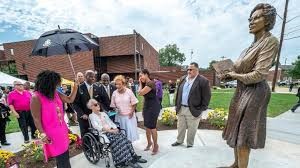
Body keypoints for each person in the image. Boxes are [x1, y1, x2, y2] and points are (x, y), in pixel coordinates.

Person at [218, 4, 279, 168]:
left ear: (267, 21)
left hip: (256, 91)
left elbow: (259, 74)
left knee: (244, 133)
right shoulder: (247, 48)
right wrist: (226, 75)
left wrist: (234, 75)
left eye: (257, 17)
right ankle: (236, 164)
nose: (251, 22)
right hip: (241, 91)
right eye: (250, 19)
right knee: (236, 130)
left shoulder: (270, 41)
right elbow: (237, 70)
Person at [31, 70, 78, 168]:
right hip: (51, 132)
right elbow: (36, 118)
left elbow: (70, 100)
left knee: (64, 156)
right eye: (56, 84)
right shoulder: (36, 97)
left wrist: (75, 87)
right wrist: (42, 134)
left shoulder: (56, 93)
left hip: (62, 129)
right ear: (48, 84)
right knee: (62, 159)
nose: (58, 86)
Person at [171, 62, 211, 148]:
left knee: (192, 129)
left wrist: (201, 109)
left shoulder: (203, 81)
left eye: (191, 69)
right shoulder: (183, 78)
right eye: (188, 69)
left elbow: (207, 96)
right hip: (181, 108)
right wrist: (176, 105)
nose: (188, 71)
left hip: (193, 109)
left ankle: (189, 143)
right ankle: (179, 141)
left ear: (197, 70)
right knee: (180, 126)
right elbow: (178, 93)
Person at [73, 70, 108, 138]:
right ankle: (86, 148)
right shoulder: (79, 88)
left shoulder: (97, 87)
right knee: (86, 136)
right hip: (85, 117)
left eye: (94, 77)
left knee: (98, 134)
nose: (93, 78)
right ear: (85, 77)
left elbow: (101, 101)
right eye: (90, 77)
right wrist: (82, 114)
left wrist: (102, 111)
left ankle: (98, 147)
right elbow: (75, 103)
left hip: (96, 116)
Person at [110, 75, 139, 142]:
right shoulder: (114, 93)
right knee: (122, 134)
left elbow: (135, 103)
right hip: (119, 117)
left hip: (129, 116)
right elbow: (113, 105)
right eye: (116, 84)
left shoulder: (129, 91)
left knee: (129, 134)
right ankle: (124, 147)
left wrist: (132, 112)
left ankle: (129, 147)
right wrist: (115, 109)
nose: (117, 86)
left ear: (123, 84)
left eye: (119, 84)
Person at [138, 69, 160, 155]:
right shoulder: (145, 84)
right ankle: (149, 143)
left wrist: (140, 83)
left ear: (146, 74)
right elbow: (142, 95)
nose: (140, 78)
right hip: (147, 106)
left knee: (152, 126)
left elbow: (140, 93)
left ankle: (155, 145)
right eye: (139, 76)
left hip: (153, 107)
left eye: (141, 76)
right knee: (147, 126)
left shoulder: (150, 83)